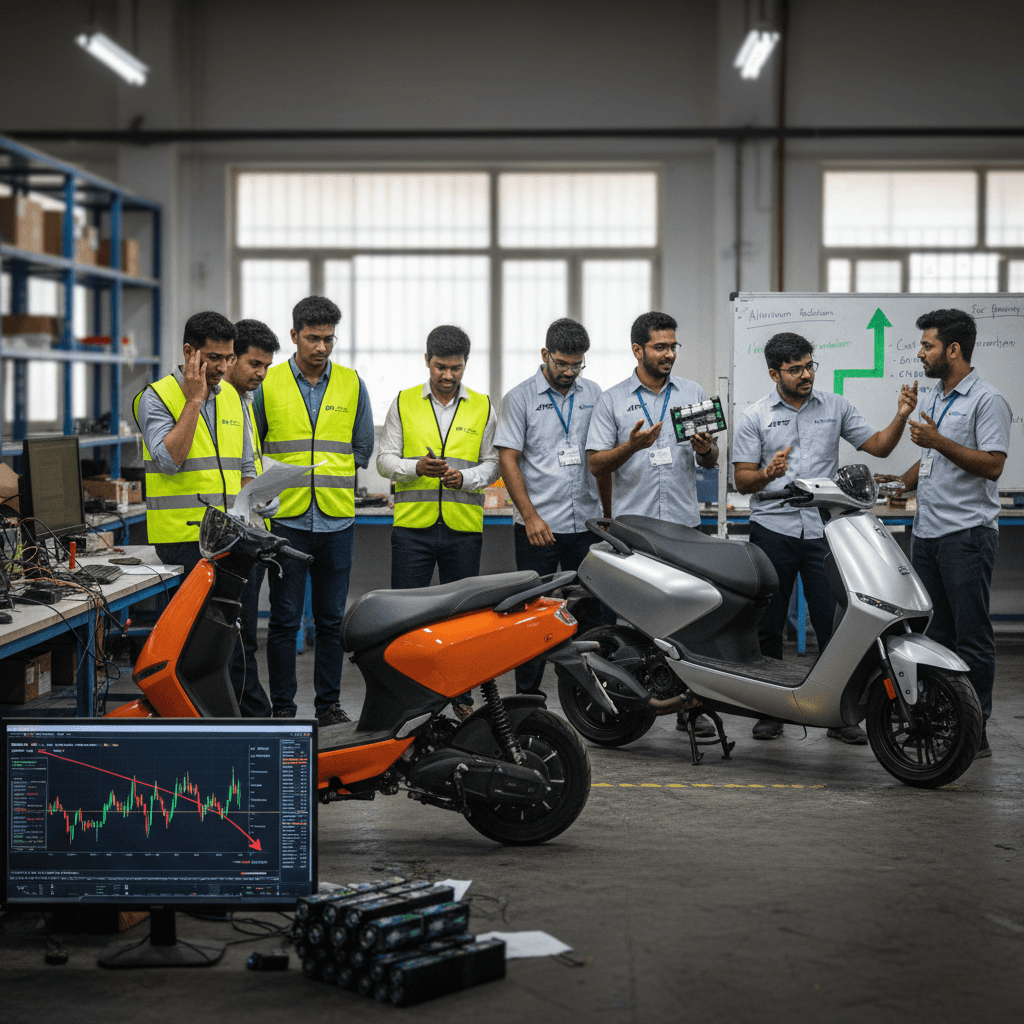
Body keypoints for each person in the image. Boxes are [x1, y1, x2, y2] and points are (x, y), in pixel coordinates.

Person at [732, 331, 919, 742]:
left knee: (831, 623)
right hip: (773, 529)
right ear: (773, 373)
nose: (805, 375)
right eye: (795, 369)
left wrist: (902, 414)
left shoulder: (835, 406)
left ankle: (838, 716)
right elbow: (742, 479)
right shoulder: (755, 416)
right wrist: (768, 474)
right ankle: (770, 712)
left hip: (824, 531)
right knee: (769, 625)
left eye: (809, 366)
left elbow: (879, 447)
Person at [586, 311, 719, 738]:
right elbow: (595, 463)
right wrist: (631, 446)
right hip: (636, 532)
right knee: (632, 621)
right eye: (660, 347)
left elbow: (710, 458)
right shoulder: (612, 400)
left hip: (683, 527)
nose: (669, 354)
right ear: (638, 350)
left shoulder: (693, 392)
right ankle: (628, 708)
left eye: (673, 346)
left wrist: (706, 451)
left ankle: (690, 711)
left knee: (690, 622)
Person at [252, 296, 374, 727]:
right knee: (284, 621)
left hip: (337, 519)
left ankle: (328, 706)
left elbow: (362, 448)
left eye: (328, 339)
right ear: (294, 336)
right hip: (286, 521)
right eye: (312, 338)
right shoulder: (268, 385)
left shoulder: (352, 383)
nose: (321, 348)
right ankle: (283, 706)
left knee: (331, 621)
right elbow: (256, 446)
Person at [895, 309, 1011, 759]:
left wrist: (939, 440)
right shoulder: (939, 396)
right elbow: (932, 460)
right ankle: (946, 719)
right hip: (928, 534)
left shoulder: (987, 400)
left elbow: (993, 465)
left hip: (966, 535)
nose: (921, 353)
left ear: (953, 350)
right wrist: (896, 482)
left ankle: (974, 732)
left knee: (972, 636)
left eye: (927, 346)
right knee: (934, 635)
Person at [376, 325, 499, 716]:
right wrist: (417, 467)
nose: (448, 375)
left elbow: (493, 463)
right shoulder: (404, 402)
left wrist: (466, 478)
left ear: (466, 364)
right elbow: (384, 460)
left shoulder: (483, 406)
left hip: (463, 528)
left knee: (461, 622)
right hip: (413, 529)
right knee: (405, 618)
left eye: (456, 368)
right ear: (427, 360)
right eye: (440, 367)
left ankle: (459, 696)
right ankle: (405, 696)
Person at [495, 318, 611, 696]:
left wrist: (606, 516)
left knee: (590, 612)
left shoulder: (594, 393)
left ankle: (589, 697)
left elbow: (602, 458)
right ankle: (529, 698)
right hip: (539, 527)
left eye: (577, 364)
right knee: (532, 614)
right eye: (562, 363)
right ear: (545, 355)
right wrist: (529, 516)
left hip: (586, 526)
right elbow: (508, 460)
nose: (569, 372)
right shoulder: (520, 398)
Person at [134, 311, 253, 581]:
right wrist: (194, 401)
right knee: (191, 624)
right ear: (189, 351)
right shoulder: (156, 398)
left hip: (231, 536)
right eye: (214, 358)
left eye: (229, 358)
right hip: (184, 541)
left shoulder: (232, 396)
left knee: (233, 622)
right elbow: (169, 462)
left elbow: (246, 465)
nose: (223, 368)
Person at [222, 318, 280, 718]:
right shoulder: (219, 402)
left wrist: (264, 493)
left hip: (249, 531)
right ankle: (253, 716)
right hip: (225, 537)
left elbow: (245, 465)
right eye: (254, 364)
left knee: (242, 636)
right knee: (234, 635)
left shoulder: (244, 402)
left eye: (266, 366)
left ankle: (251, 712)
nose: (261, 374)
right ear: (231, 359)